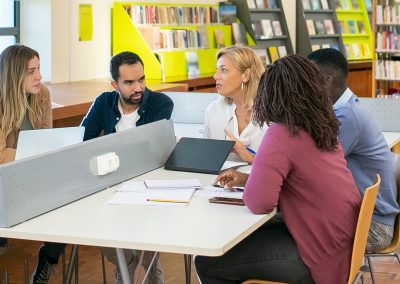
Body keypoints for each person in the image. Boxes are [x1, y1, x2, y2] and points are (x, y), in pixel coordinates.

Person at [195, 55, 362, 283]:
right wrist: (247, 179)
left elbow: (259, 203)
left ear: (270, 95)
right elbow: (301, 181)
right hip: (340, 242)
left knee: (207, 262)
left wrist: (254, 183)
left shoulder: (281, 132)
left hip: (316, 254)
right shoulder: (321, 125)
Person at [81, 51, 173, 283]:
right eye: (129, 82)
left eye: (141, 79)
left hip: (147, 183)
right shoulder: (103, 101)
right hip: (107, 182)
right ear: (115, 84)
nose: (138, 87)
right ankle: (128, 263)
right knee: (90, 221)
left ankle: (150, 269)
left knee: (146, 216)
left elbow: (153, 152)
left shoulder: (161, 103)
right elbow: (82, 142)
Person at [308, 48, 400, 253]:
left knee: (292, 233)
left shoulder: (346, 116)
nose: (304, 87)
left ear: (327, 81)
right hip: (364, 217)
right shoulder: (345, 109)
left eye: (308, 80)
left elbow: (314, 166)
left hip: (373, 227)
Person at [0, 45, 65, 284]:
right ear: (13, 74)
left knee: (68, 201)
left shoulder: (42, 94)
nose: (39, 76)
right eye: (31, 71)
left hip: (32, 175)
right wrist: (34, 154)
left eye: (39, 68)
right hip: (3, 183)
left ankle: (48, 258)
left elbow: (45, 139)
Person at [203, 45, 266, 163]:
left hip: (260, 181)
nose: (215, 76)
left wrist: (249, 156)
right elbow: (206, 157)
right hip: (221, 180)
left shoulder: (272, 113)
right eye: (217, 69)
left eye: (224, 70)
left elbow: (284, 165)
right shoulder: (214, 110)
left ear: (246, 75)